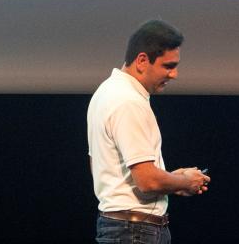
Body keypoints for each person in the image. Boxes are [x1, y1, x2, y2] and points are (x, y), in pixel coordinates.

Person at [87, 19, 210, 243]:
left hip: (122, 228)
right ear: (142, 60)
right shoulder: (128, 101)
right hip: (135, 232)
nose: (174, 75)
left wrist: (171, 179)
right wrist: (185, 182)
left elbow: (105, 167)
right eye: (168, 66)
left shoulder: (106, 91)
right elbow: (147, 181)